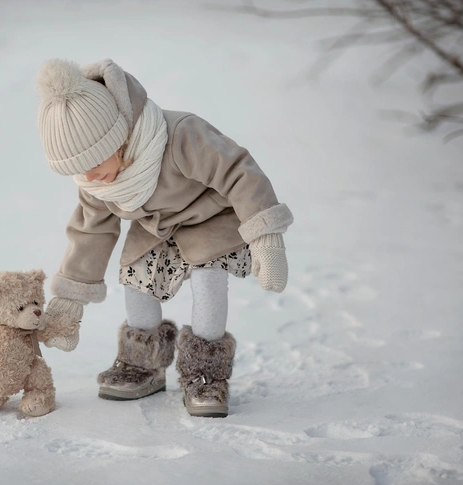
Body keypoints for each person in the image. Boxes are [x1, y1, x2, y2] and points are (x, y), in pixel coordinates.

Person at [37, 58, 293, 418]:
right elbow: (91, 230)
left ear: (119, 136)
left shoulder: (181, 135)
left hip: (210, 218)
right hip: (155, 227)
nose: (89, 176)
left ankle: (206, 372)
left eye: (94, 162)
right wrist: (70, 299)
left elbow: (240, 173)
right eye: (77, 169)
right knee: (136, 279)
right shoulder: (95, 181)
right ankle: (143, 364)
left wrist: (265, 236)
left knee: (208, 282)